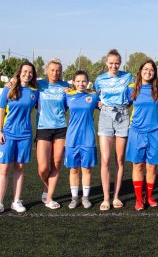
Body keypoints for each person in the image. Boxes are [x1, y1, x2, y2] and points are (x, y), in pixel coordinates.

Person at [94, 49, 133, 211]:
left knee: (119, 160)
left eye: (117, 63)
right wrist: (99, 104)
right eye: (111, 63)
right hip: (105, 116)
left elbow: (133, 95)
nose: (114, 66)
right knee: (105, 159)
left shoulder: (128, 77)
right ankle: (106, 198)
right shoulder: (100, 79)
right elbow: (95, 95)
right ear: (106, 63)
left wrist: (125, 107)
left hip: (122, 115)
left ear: (120, 63)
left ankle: (116, 196)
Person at [0, 61, 38, 213]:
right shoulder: (8, 89)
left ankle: (16, 201)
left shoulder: (35, 91)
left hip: (25, 135)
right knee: (4, 169)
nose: (27, 74)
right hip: (8, 134)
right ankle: (0, 202)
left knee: (20, 168)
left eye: (30, 72)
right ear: (19, 71)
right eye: (25, 71)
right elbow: (1, 110)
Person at [126, 60, 158, 211]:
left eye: (151, 70)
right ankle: (138, 199)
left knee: (152, 167)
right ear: (140, 71)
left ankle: (149, 196)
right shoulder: (132, 88)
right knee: (138, 165)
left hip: (155, 131)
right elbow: (123, 104)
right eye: (146, 69)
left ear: (154, 73)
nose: (148, 72)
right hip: (136, 132)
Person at [36, 58, 69, 209]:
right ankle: (47, 187)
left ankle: (49, 198)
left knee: (55, 164)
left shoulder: (65, 87)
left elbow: (68, 105)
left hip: (61, 128)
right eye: (52, 70)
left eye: (58, 70)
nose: (55, 73)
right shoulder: (39, 85)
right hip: (43, 128)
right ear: (47, 71)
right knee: (43, 167)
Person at [64, 71, 99, 209]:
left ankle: (85, 197)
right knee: (73, 169)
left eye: (83, 81)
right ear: (73, 82)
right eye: (78, 81)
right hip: (72, 138)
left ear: (88, 82)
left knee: (87, 170)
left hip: (88, 138)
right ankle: (74, 198)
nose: (81, 84)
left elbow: (105, 102)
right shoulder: (67, 95)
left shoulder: (94, 95)